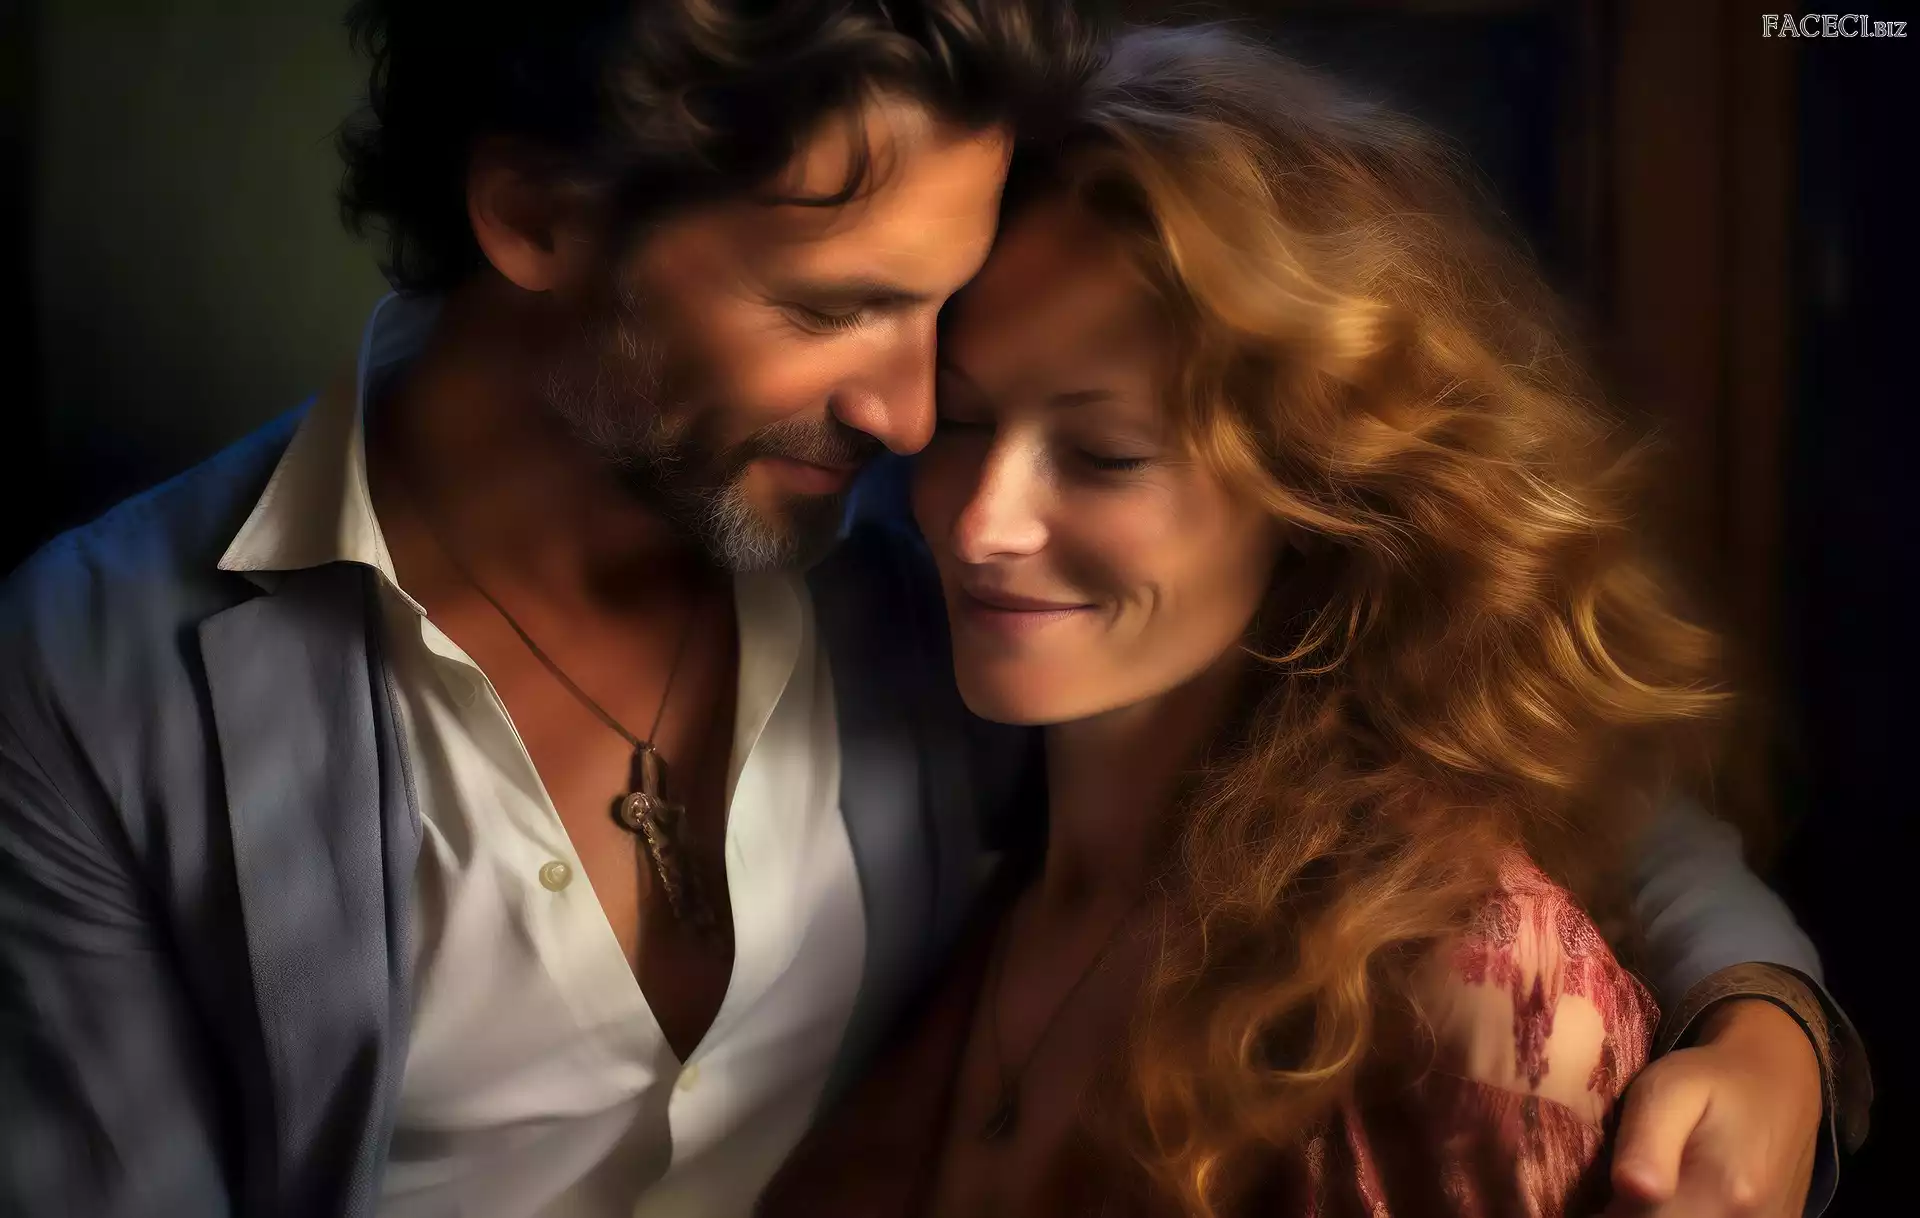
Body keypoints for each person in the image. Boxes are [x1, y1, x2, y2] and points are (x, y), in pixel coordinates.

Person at [0, 4, 1859, 1218]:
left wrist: (1770, 1015)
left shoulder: (909, 544)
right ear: (539, 223)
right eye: (837, 310)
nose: (915, 422)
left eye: (942, 316)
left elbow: (1488, 753)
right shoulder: (96, 677)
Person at [756, 25, 1867, 1218]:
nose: (981, 523)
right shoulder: (984, 835)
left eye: (1106, 453)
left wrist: (1770, 1018)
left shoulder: (1467, 993)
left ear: (1317, 490)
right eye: (965, 421)